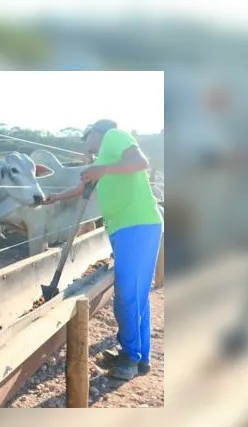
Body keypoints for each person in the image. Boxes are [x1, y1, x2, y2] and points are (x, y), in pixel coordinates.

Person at [41, 119, 163, 380]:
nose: (88, 145)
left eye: (87, 137)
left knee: (127, 294)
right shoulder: (103, 163)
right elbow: (80, 189)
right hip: (126, 228)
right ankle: (140, 358)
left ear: (97, 133)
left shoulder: (114, 136)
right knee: (137, 294)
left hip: (136, 224)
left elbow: (141, 162)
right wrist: (55, 198)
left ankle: (129, 358)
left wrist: (101, 168)